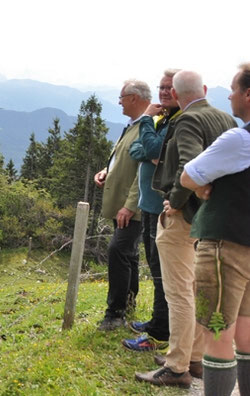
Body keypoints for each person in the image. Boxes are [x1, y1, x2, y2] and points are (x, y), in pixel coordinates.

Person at [136, 70, 237, 388]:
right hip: (212, 217)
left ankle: (176, 366)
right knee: (194, 289)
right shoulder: (225, 120)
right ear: (205, 89)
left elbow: (189, 165)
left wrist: (176, 201)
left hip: (185, 218)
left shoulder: (187, 121)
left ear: (177, 97)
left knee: (179, 292)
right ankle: (193, 358)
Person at [180, 63, 250, 396]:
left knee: (217, 333)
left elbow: (189, 176)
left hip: (226, 246)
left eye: (234, 89)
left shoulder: (239, 139)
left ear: (249, 95)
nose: (230, 95)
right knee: (247, 335)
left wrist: (202, 188)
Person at [122, 71, 178, 352]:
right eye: (162, 87)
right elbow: (137, 149)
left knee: (160, 271)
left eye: (170, 87)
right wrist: (150, 147)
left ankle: (159, 332)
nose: (165, 92)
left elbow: (157, 151)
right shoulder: (162, 118)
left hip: (161, 207)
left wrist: (144, 120)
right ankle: (157, 321)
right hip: (149, 206)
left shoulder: (174, 120)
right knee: (156, 271)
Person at [94, 79, 147, 331]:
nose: (119, 102)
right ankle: (128, 302)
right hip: (123, 203)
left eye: (122, 97)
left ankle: (115, 314)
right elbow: (123, 160)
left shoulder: (148, 126)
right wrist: (107, 171)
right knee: (129, 254)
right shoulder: (132, 126)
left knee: (118, 250)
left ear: (134, 98)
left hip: (132, 206)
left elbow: (143, 172)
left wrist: (130, 205)